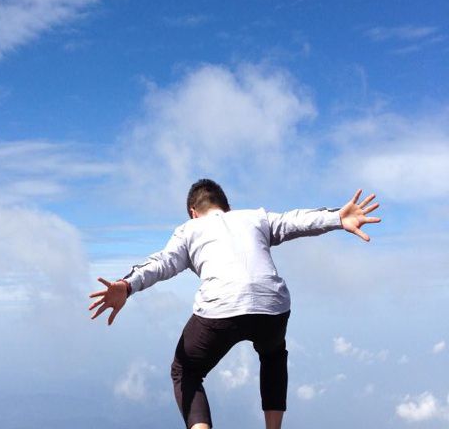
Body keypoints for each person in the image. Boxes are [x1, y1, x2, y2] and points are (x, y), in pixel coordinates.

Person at [89, 179, 381, 429]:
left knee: (185, 371)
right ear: (226, 206)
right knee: (273, 356)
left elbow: (163, 263)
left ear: (193, 212)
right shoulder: (256, 217)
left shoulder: (190, 229)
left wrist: (127, 285)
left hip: (220, 307)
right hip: (272, 305)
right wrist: (336, 218)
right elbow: (295, 221)